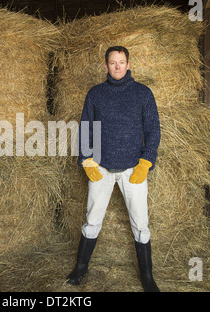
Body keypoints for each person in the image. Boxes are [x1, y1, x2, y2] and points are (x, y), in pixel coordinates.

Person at [67, 46, 161, 292]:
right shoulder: (96, 94)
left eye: (121, 62)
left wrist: (146, 162)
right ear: (106, 66)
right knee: (92, 219)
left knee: (141, 223)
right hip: (101, 168)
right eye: (112, 62)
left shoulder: (143, 93)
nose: (117, 66)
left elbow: (153, 130)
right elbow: (86, 128)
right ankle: (79, 270)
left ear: (128, 65)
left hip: (134, 169)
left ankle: (148, 278)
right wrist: (86, 160)